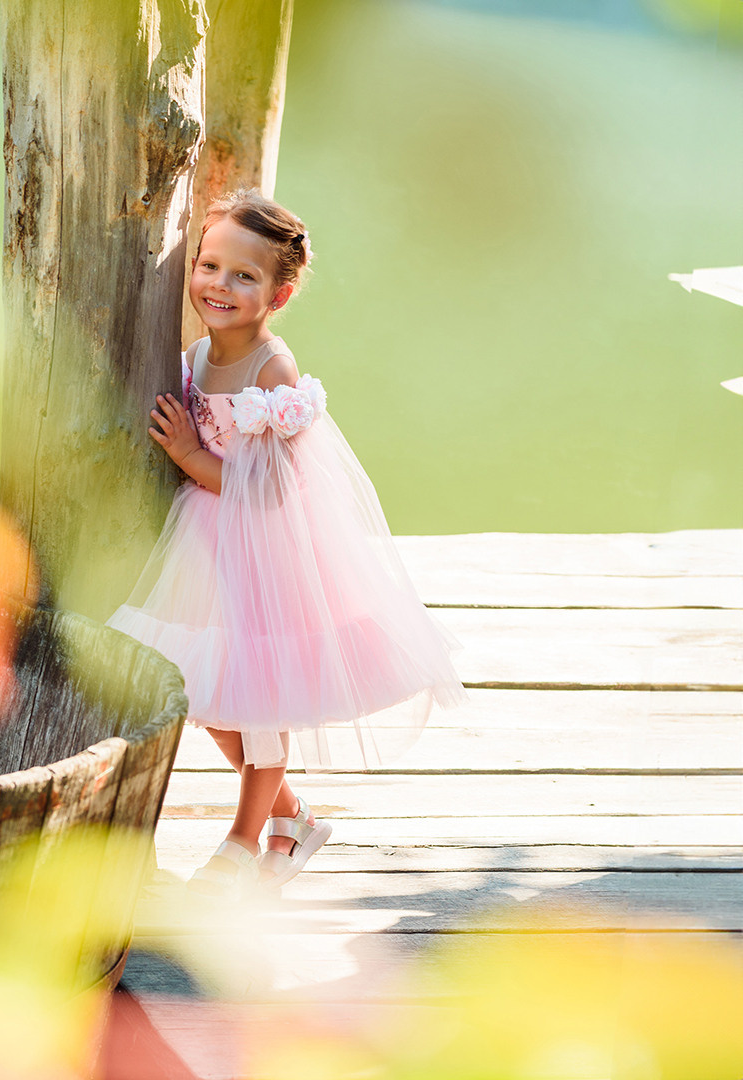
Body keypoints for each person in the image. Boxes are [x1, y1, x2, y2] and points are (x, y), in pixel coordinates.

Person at [108, 189, 466, 897]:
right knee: (207, 696)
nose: (219, 284)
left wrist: (187, 455)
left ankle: (246, 839)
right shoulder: (193, 355)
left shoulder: (274, 371)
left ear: (280, 292)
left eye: (244, 276)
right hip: (205, 547)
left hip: (267, 552)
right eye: (210, 265)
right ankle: (293, 816)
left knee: (259, 698)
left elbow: (265, 491)